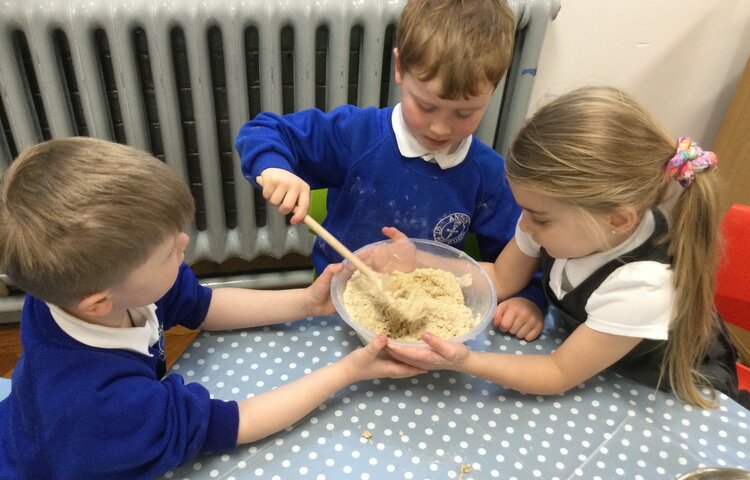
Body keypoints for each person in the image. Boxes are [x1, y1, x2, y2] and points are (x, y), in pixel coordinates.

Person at [0, 137, 423, 479]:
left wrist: (304, 303)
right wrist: (348, 371)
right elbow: (234, 422)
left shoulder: (74, 291)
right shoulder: (106, 407)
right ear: (98, 304)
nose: (186, 245)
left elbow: (202, 305)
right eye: (169, 251)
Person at [384, 86, 742, 409]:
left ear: (618, 220)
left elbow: (557, 372)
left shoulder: (643, 283)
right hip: (594, 358)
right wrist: (417, 260)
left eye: (539, 218)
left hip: (666, 390)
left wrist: (463, 361)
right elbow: (501, 278)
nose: (525, 225)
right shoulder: (558, 221)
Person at [235, 0, 546, 339]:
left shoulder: (488, 174)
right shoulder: (356, 134)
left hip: (434, 323)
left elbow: (521, 254)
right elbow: (265, 131)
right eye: (426, 106)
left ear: (493, 91)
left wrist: (529, 300)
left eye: (464, 113)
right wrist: (276, 168)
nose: (440, 129)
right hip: (335, 303)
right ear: (400, 68)